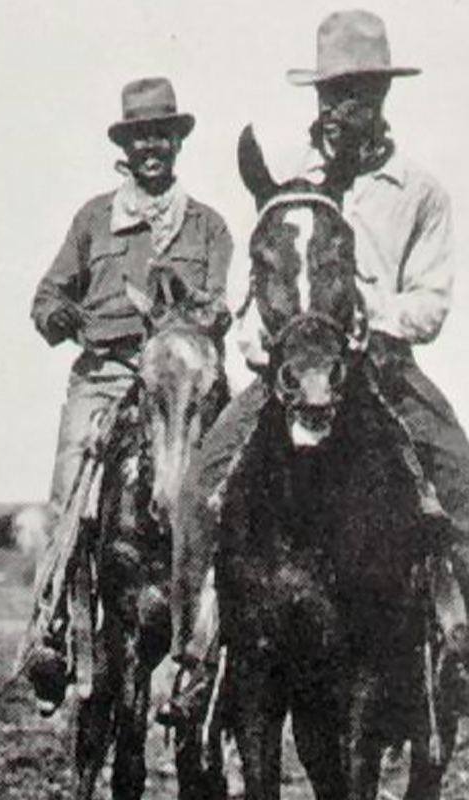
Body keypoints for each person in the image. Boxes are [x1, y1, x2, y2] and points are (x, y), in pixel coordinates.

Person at [160, 8, 469, 727]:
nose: (342, 109)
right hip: (290, 374)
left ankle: (458, 643)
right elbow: (255, 296)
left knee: (456, 470)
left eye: (358, 92)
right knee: (201, 484)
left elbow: (432, 299)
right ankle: (194, 658)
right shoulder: (288, 188)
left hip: (384, 367)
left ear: (383, 97)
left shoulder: (418, 191)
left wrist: (369, 320)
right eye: (331, 94)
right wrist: (263, 349)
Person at [18, 77, 232, 715]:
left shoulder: (209, 227)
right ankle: (50, 631)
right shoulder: (93, 219)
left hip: (184, 377)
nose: (152, 147)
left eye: (163, 134)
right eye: (141, 136)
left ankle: (220, 647)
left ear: (177, 142)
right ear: (127, 144)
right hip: (109, 375)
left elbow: (219, 304)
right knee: (71, 494)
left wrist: (188, 315)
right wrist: (66, 319)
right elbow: (47, 297)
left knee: (231, 490)